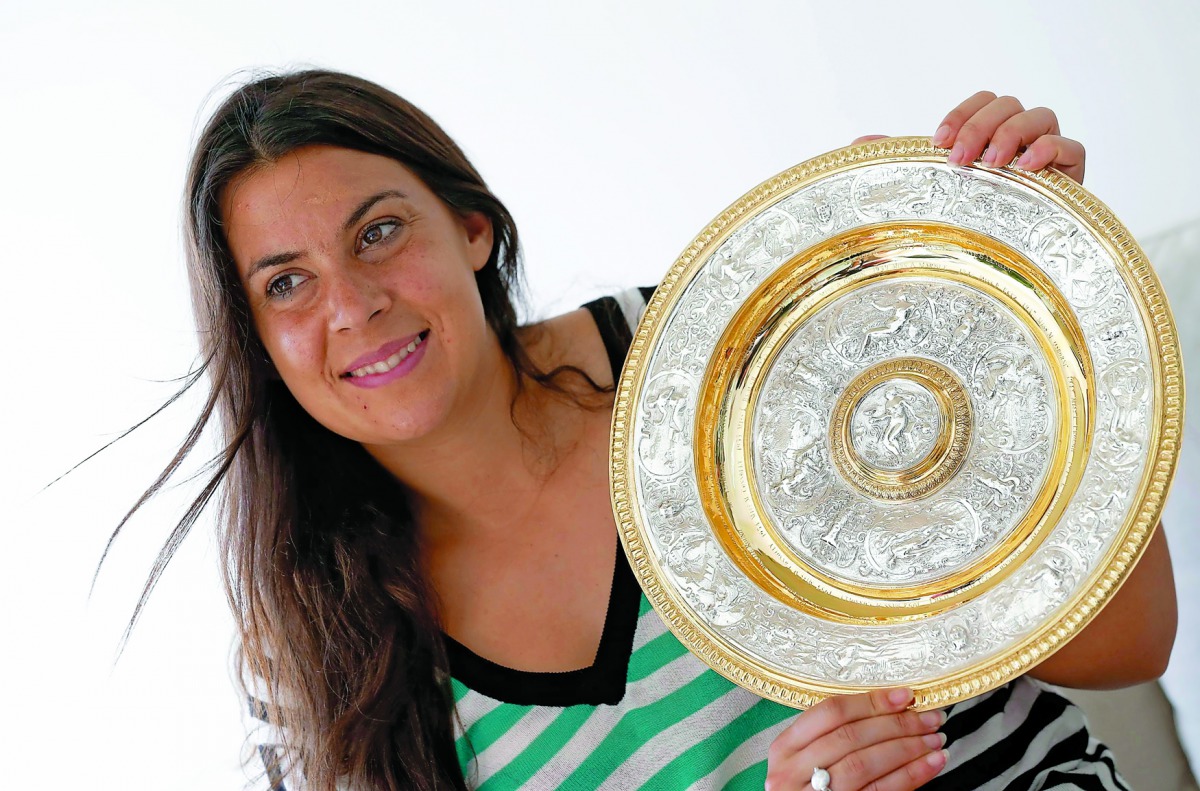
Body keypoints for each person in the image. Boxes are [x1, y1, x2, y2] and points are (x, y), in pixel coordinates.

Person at [140, 70, 1173, 790]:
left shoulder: (728, 349)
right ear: (257, 339)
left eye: (379, 230)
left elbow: (1130, 639)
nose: (354, 303)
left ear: (471, 226)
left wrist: (1016, 293)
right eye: (286, 283)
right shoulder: (310, 656)